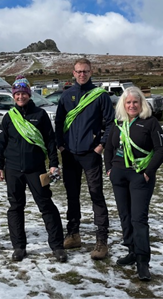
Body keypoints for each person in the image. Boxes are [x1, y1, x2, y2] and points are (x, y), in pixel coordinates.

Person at [0, 75, 67, 262]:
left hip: (36, 168)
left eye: (24, 93)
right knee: (16, 207)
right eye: (17, 93)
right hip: (12, 169)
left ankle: (57, 246)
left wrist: (53, 164)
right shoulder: (9, 117)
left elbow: (50, 141)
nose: (20, 97)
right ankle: (19, 247)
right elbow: (1, 143)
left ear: (29, 94)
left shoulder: (40, 115)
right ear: (13, 95)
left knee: (46, 206)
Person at [104, 86, 163, 281]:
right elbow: (108, 147)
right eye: (128, 102)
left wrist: (148, 172)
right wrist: (109, 168)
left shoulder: (150, 122)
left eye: (135, 102)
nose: (132, 105)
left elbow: (161, 150)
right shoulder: (118, 123)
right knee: (125, 216)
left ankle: (142, 261)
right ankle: (131, 251)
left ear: (142, 104)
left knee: (138, 219)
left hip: (140, 176)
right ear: (123, 104)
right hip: (119, 176)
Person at [55, 58, 114, 259]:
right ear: (73, 73)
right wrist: (61, 145)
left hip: (90, 154)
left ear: (91, 72)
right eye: (79, 71)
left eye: (85, 71)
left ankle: (101, 241)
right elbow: (59, 122)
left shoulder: (100, 96)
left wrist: (100, 146)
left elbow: (110, 123)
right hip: (70, 154)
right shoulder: (66, 95)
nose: (82, 74)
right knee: (72, 196)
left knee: (96, 194)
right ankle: (73, 234)